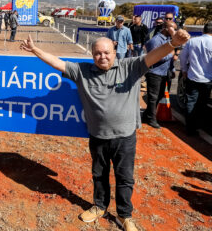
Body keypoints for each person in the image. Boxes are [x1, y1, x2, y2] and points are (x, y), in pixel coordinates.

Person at [20, 28, 190, 231]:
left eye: (106, 52)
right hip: (98, 136)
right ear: (92, 55)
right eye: (98, 53)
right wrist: (35, 50)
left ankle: (125, 215)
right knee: (99, 174)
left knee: (124, 178)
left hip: (125, 138)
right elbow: (57, 62)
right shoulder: (82, 72)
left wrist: (172, 44)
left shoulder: (131, 66)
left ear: (115, 51)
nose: (102, 57)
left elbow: (154, 55)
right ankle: (100, 206)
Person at [142, 21, 178, 129]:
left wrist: (172, 69)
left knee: (160, 95)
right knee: (153, 97)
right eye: (173, 29)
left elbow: (169, 59)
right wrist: (170, 55)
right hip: (154, 73)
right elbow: (155, 58)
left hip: (164, 72)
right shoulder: (155, 41)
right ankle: (152, 119)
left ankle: (146, 115)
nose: (175, 31)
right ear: (166, 29)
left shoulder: (169, 40)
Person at [179, 22, 212, 136]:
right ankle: (198, 126)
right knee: (202, 104)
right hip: (208, 79)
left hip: (192, 76)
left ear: (203, 30)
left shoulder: (192, 41)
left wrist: (183, 70)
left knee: (190, 102)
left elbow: (183, 56)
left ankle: (189, 128)